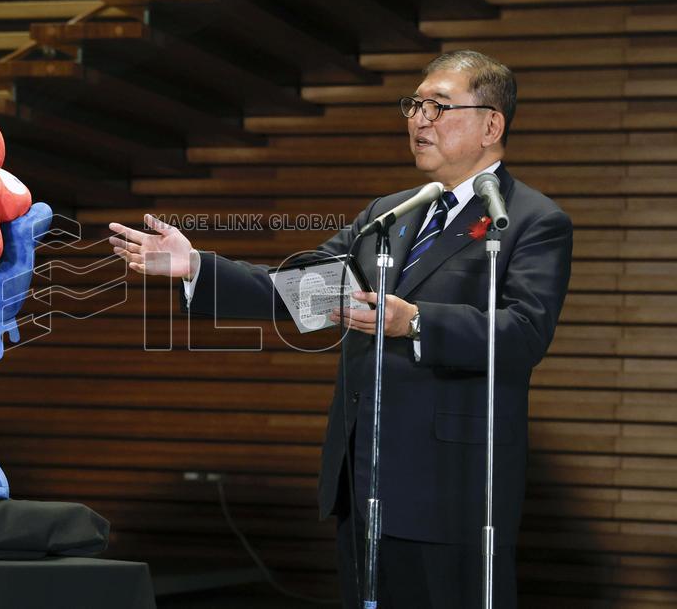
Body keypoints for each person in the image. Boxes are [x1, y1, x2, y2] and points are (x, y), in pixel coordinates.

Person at [109, 50, 572, 608]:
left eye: (438, 106)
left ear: (491, 124)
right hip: (366, 481)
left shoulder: (530, 220)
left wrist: (415, 321)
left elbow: (523, 334)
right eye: (414, 105)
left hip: (452, 489)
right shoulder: (393, 212)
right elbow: (306, 289)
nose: (419, 119)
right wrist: (198, 268)